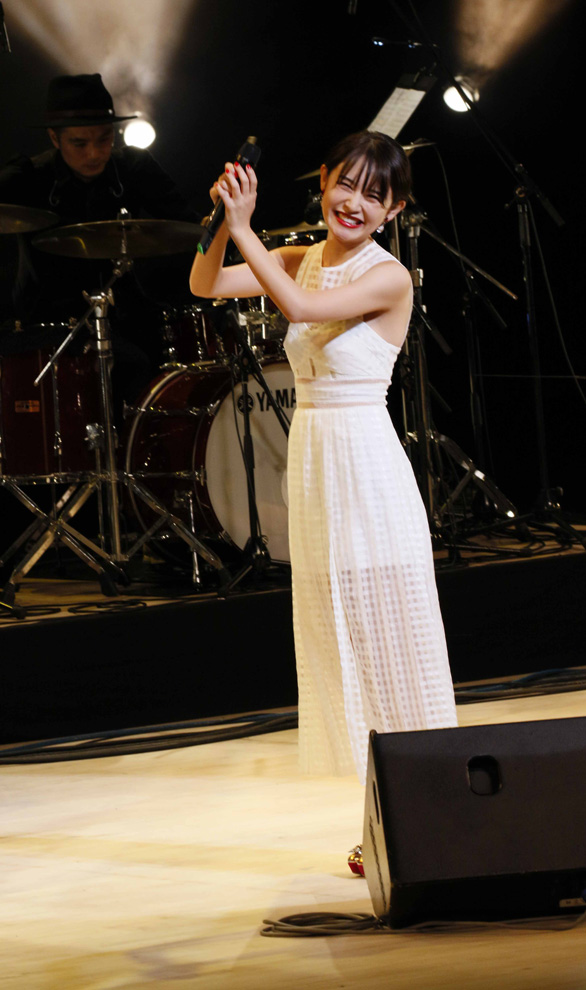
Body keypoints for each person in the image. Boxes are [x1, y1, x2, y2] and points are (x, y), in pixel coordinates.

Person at [190, 130, 457, 784]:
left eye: (374, 195)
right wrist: (221, 222)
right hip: (315, 463)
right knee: (334, 626)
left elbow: (302, 307)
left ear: (393, 210)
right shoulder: (299, 256)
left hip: (365, 464)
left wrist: (246, 227)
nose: (355, 204)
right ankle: (373, 791)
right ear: (323, 180)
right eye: (347, 185)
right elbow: (204, 282)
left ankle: (424, 784)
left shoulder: (388, 276)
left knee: (385, 625)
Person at [0, 73, 199, 400]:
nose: (94, 153)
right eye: (79, 143)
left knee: (165, 363)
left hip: (125, 317)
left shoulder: (133, 167)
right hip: (47, 325)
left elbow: (189, 228)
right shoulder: (28, 177)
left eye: (104, 139)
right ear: (54, 138)